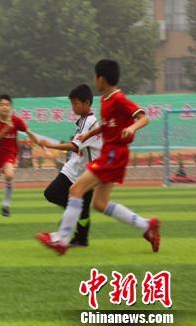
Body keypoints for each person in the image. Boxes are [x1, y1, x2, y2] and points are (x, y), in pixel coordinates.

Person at [36, 59, 160, 255]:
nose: (94, 80)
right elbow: (108, 125)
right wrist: (90, 134)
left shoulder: (118, 99)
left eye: (95, 76)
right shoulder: (106, 100)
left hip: (113, 154)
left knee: (76, 189)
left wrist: (131, 127)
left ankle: (62, 239)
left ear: (101, 78)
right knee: (100, 204)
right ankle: (147, 226)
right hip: (111, 154)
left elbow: (144, 117)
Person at [38, 84, 102, 247]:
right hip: (81, 169)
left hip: (84, 172)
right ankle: (81, 237)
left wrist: (51, 145)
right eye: (72, 103)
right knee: (83, 208)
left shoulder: (88, 121)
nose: (73, 107)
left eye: (76, 103)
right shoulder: (85, 120)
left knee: (52, 193)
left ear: (87, 103)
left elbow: (75, 146)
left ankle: (80, 234)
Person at [0, 94, 43, 224]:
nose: (5, 107)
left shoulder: (16, 120)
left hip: (9, 154)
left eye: (7, 105)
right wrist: (6, 129)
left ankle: (6, 204)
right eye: (2, 105)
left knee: (9, 175)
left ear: (11, 107)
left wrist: (39, 143)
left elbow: (29, 132)